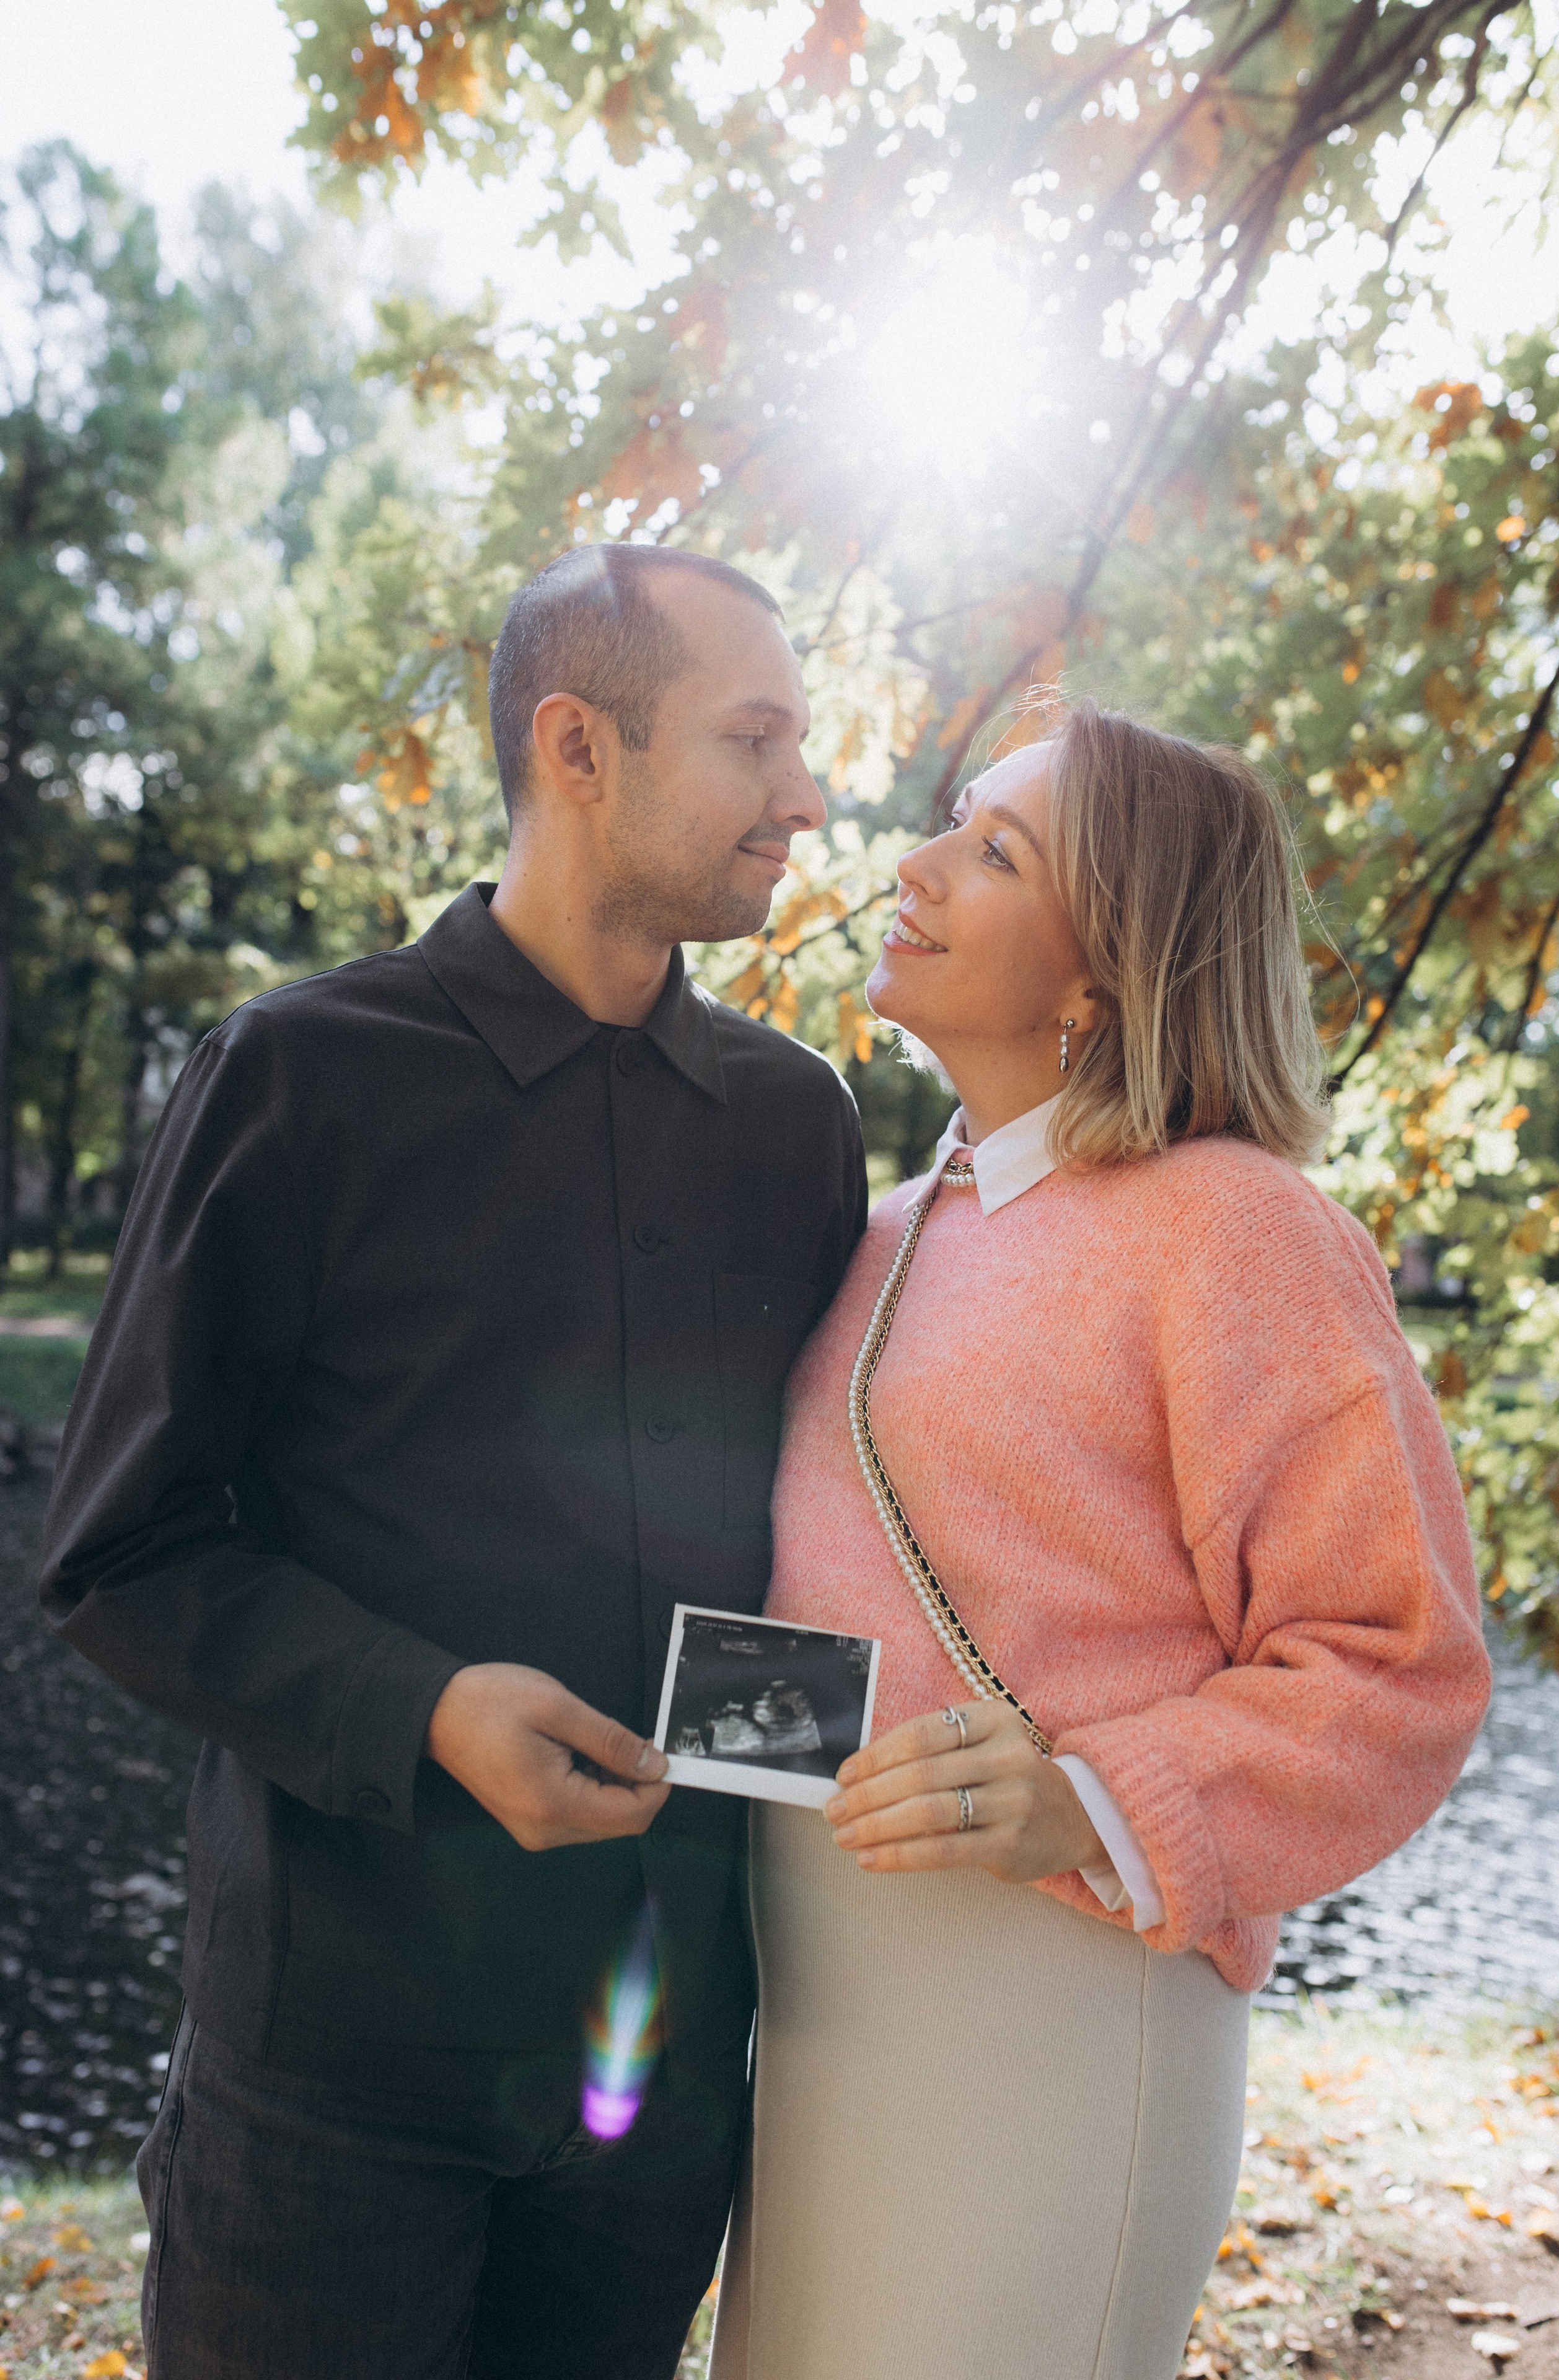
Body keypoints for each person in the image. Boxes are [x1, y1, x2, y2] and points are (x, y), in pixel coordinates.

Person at [40, 544, 867, 2380]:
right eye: (753, 741)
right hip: (332, 2077)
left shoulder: (796, 1127)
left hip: (655, 2077)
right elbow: (119, 1551)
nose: (805, 798)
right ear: (579, 747)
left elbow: (805, 1556)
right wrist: (423, 1707)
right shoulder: (293, 1077)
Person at [709, 700, 1491, 2380]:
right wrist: (665, 1721)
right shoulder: (889, 1231)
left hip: (1052, 2002)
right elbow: (859, 1611)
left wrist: (1095, 1796)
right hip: (811, 1983)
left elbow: (1398, 1667)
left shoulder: (1240, 1231)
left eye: (995, 851)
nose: (911, 864)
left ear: (1102, 976)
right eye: (953, 820)